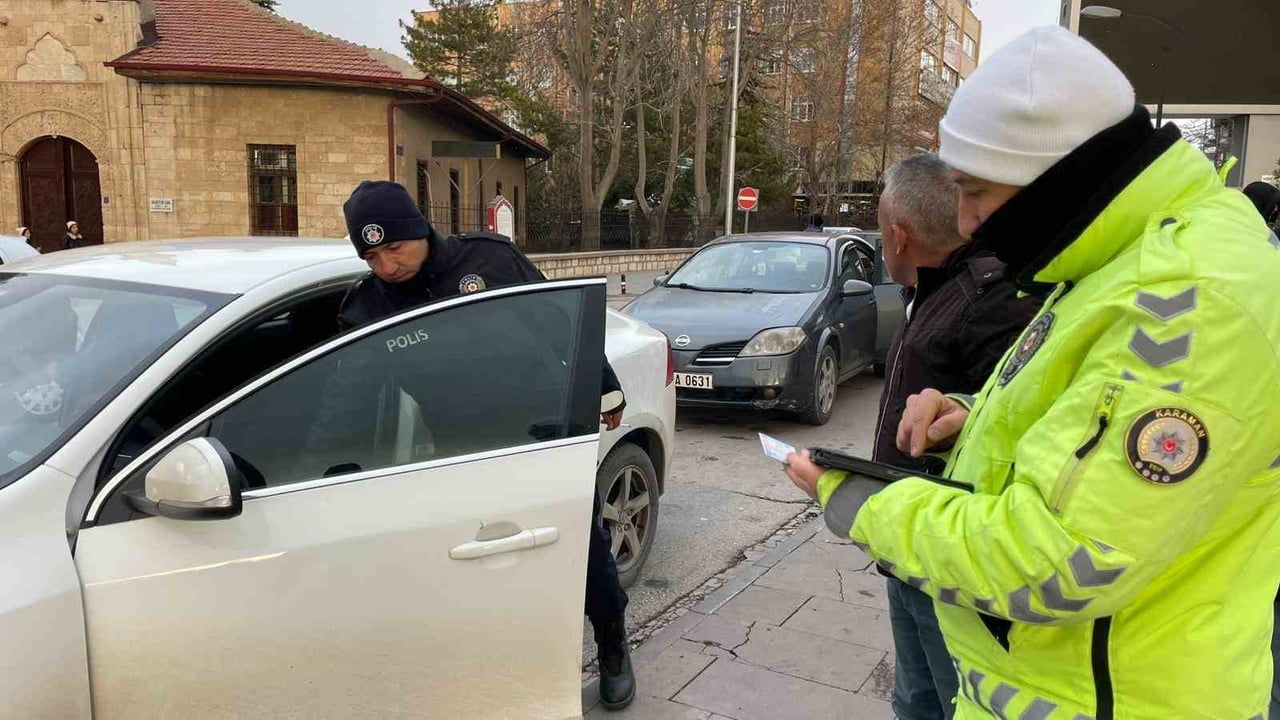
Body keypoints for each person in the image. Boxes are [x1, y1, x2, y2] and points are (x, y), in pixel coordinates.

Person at [784, 26, 1280, 719]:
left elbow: (1064, 559)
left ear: (1063, 176)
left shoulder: (1190, 303)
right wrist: (970, 415)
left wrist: (861, 501)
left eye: (978, 193)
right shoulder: (1122, 261)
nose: (967, 222)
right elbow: (1083, 415)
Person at [317, 181, 636, 710]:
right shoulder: (369, 308)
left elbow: (563, 326)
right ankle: (513, 662)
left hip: (542, 434)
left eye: (394, 247)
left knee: (583, 552)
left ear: (419, 228)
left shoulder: (489, 261)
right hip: (460, 451)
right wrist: (324, 463)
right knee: (485, 563)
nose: (387, 265)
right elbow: (345, 395)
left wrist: (603, 386)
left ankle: (613, 646)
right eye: (372, 256)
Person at [872, 154, 1041, 720]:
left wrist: (961, 418)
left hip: (952, 556)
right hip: (909, 538)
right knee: (915, 699)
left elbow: (1020, 426)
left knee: (950, 699)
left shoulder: (991, 298)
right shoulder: (935, 288)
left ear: (898, 235)